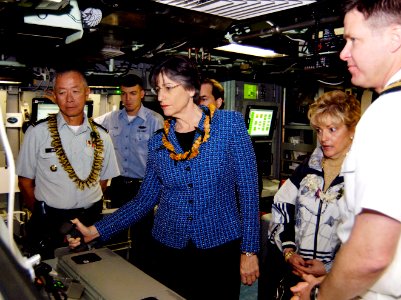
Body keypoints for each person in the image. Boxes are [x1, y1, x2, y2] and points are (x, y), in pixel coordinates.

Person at [290, 0, 401, 299]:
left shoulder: (395, 112)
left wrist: (320, 296)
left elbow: (371, 253)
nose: (343, 53)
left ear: (394, 38)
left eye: (353, 39)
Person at [69, 55, 260, 300]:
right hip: (169, 248)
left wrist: (249, 251)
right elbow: (144, 200)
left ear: (191, 89)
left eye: (169, 88)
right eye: (158, 89)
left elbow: (249, 190)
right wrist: (96, 230)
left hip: (219, 246)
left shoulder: (229, 125)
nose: (160, 97)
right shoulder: (158, 141)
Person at [263, 90, 360, 300]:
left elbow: (365, 237)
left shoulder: (363, 174)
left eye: (332, 129)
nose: (324, 138)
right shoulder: (308, 167)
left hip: (336, 283)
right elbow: (281, 204)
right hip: (297, 274)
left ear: (352, 129)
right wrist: (289, 251)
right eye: (319, 130)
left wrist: (329, 268)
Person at [16, 68, 120, 260]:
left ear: (87, 92)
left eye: (75, 91)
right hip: (48, 220)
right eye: (62, 92)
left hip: (90, 220)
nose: (69, 99)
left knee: (91, 274)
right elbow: (24, 181)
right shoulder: (37, 133)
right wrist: (42, 215)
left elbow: (104, 180)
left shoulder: (102, 136)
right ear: (55, 96)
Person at [94, 73, 164, 269]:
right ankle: (116, 274)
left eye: (132, 93)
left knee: (143, 238)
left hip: (143, 188)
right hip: (117, 186)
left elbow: (161, 159)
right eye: (124, 94)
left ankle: (141, 277)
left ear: (142, 93)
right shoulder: (111, 118)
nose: (128, 98)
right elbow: (86, 125)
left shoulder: (154, 120)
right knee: (115, 234)